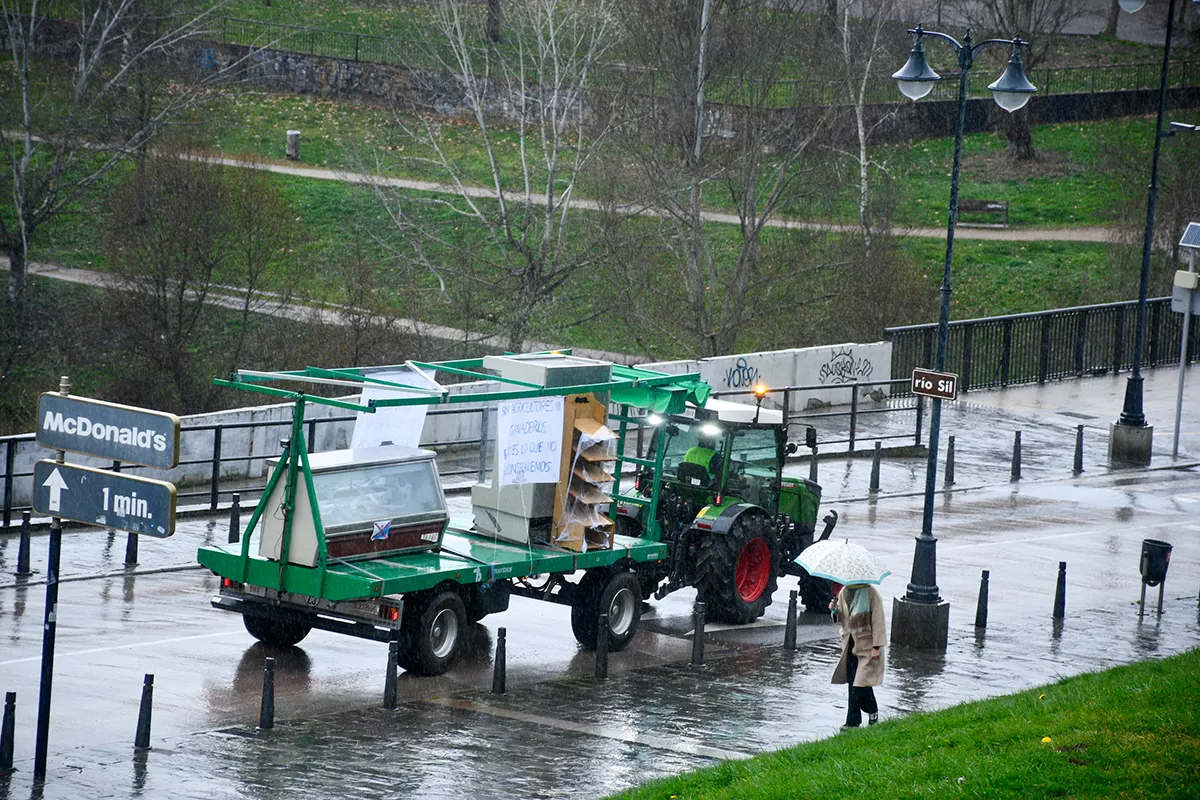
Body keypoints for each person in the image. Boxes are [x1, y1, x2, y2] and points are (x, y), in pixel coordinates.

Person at [829, 581, 886, 729]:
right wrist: (834, 610)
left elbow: (878, 621)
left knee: (861, 684)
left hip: (867, 646)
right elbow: (842, 618)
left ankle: (872, 711)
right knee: (852, 683)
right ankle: (852, 722)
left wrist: (876, 647)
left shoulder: (871, 593)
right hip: (850, 645)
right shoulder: (844, 592)